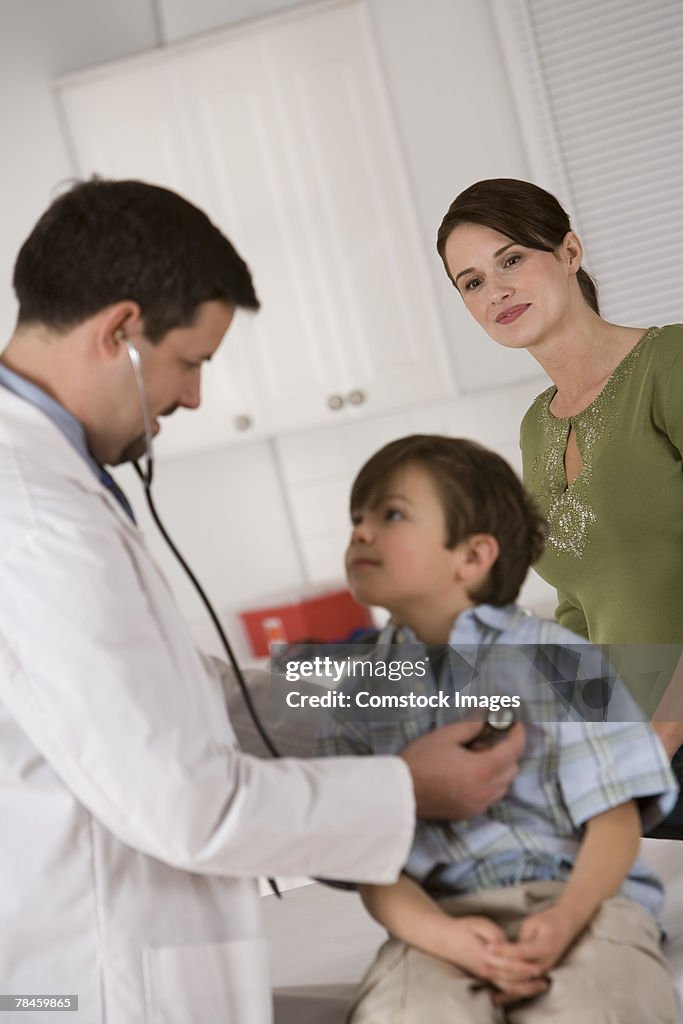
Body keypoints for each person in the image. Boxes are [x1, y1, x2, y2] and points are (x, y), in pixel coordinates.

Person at [0, 180, 526, 1024]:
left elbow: (188, 695)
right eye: (192, 362)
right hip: (89, 977)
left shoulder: (48, 488)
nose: (195, 397)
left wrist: (375, 698)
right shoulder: (33, 517)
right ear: (119, 334)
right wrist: (403, 787)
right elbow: (186, 802)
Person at [318, 434, 679, 1023]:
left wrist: (566, 919)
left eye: (391, 514)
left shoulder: (559, 658)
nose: (360, 531)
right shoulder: (357, 696)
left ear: (473, 556)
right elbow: (372, 862)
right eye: (358, 517)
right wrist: (444, 938)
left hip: (584, 903)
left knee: (597, 1005)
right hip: (438, 923)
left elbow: (614, 818)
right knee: (403, 1013)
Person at [436, 178, 683, 836]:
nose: (496, 291)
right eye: (471, 282)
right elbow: (581, 606)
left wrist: (665, 724)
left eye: (511, 260)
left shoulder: (670, 363)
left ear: (569, 252)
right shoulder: (535, 425)